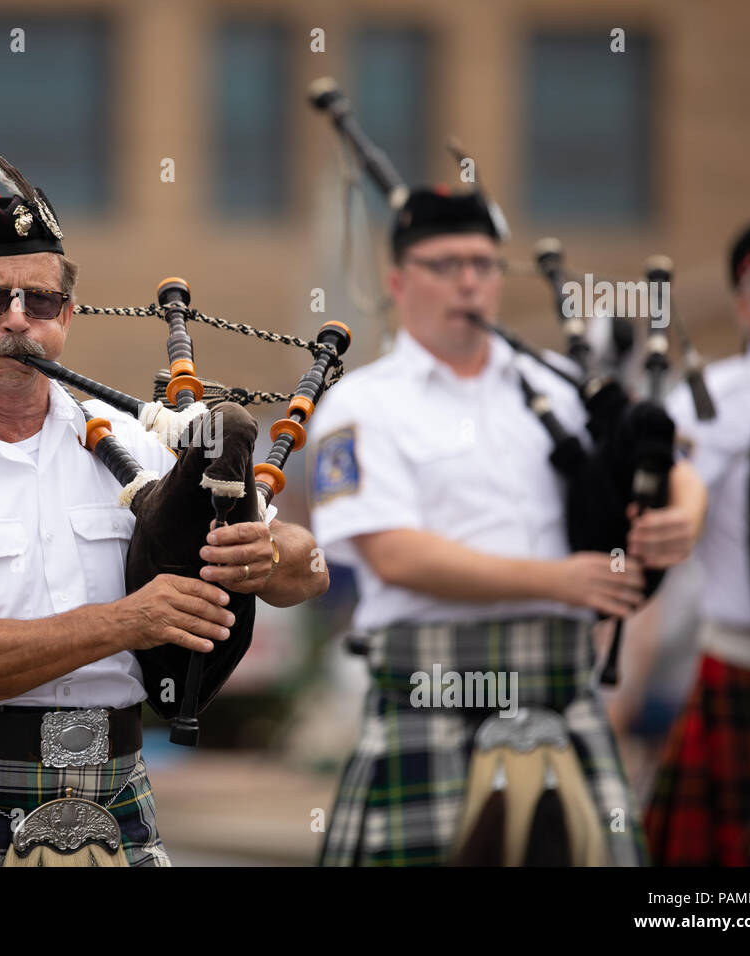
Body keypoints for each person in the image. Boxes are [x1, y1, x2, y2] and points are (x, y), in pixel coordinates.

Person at [0, 156, 328, 867]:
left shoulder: (140, 445)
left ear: (69, 316)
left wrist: (273, 557)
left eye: (42, 301)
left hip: (109, 791)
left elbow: (308, 571)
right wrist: (129, 620)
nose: (19, 320)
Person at [309, 187, 707, 866]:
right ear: (398, 281)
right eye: (446, 265)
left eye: (485, 264)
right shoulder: (361, 404)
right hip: (427, 692)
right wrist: (561, 580)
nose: (470, 281)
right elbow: (394, 555)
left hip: (560, 687)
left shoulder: (557, 383)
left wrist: (684, 515)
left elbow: (666, 458)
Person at [645, 216, 750, 866]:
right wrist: (676, 521)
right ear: (744, 306)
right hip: (746, 665)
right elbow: (682, 484)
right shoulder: (708, 402)